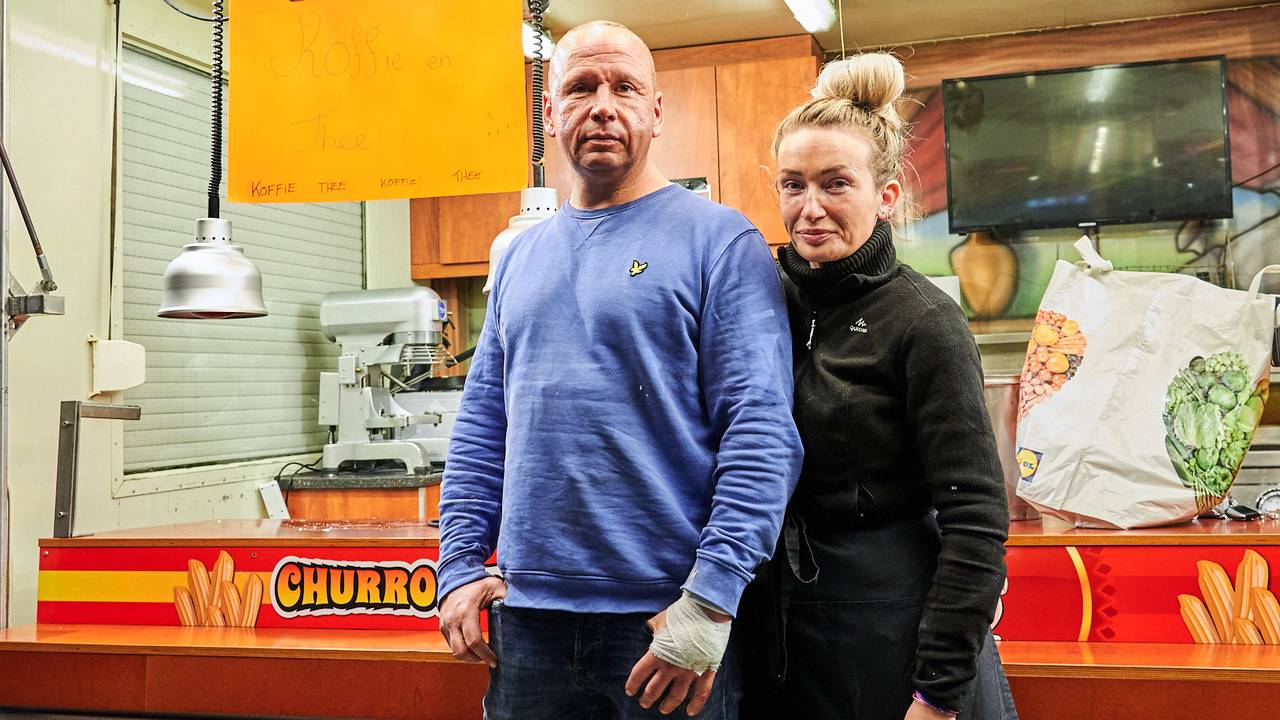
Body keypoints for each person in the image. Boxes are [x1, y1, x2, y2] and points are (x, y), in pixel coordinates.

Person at [436, 20, 803, 720]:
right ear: (550, 114)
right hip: (529, 624)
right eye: (579, 86)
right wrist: (457, 567)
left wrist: (711, 599)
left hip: (663, 621)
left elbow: (760, 433)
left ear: (656, 111)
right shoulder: (515, 256)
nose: (603, 104)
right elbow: (483, 425)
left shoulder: (721, 240)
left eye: (625, 86)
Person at [739, 53, 1016, 720]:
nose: (810, 209)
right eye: (792, 185)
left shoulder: (925, 323)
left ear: (885, 196)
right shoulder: (757, 303)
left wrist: (938, 696)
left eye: (836, 184)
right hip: (786, 639)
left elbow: (976, 520)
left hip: (897, 641)